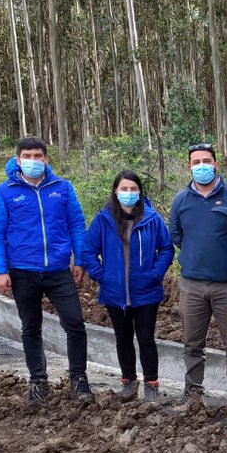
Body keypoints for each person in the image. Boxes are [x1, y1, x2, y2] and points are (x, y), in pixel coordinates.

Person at [0, 136, 91, 406]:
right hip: (23, 271)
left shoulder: (62, 188)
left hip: (58, 270)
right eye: (28, 157)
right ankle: (38, 380)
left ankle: (78, 378)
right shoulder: (4, 192)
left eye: (38, 157)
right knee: (31, 327)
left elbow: (76, 225)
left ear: (46, 159)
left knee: (75, 324)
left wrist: (79, 259)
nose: (33, 162)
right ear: (18, 160)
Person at [81, 171, 175, 403]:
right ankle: (129, 382)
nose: (129, 193)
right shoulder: (103, 219)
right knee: (123, 339)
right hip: (114, 292)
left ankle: (151, 385)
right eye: (124, 189)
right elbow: (88, 251)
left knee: (146, 338)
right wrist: (102, 275)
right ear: (115, 191)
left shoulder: (151, 219)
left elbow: (166, 249)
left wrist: (155, 274)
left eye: (133, 189)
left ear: (140, 192)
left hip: (146, 291)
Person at [169, 143, 227, 411]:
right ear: (189, 166)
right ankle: (192, 392)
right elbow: (177, 236)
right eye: (195, 162)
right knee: (192, 343)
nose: (201, 166)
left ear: (216, 164)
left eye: (206, 161)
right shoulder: (181, 200)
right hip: (192, 285)